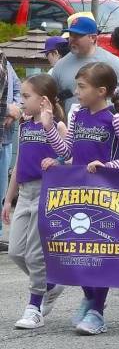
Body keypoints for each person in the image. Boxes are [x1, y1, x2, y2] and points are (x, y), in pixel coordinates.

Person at [42, 62, 119, 335]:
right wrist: (50, 128)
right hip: (77, 192)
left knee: (99, 253)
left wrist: (108, 167)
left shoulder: (115, 119)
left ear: (101, 91)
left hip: (105, 194)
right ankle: (89, 297)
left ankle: (98, 309)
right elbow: (68, 150)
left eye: (81, 87)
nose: (76, 91)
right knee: (78, 251)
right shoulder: (77, 114)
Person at [1, 74, 66, 329]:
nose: (22, 101)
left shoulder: (57, 126)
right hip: (24, 194)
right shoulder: (26, 126)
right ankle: (51, 284)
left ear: (43, 100)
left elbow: (68, 156)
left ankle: (34, 306)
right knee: (16, 252)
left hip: (46, 193)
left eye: (27, 96)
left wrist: (58, 162)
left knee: (35, 254)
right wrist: (8, 199)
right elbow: (18, 166)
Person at [51, 16, 119, 116]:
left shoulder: (111, 61)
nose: (72, 39)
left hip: (105, 127)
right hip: (73, 128)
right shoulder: (61, 65)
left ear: (93, 38)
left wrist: (107, 106)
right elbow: (53, 97)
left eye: (77, 35)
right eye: (71, 34)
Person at [0, 61, 21, 248]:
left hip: (3, 138)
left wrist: (15, 111)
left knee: (1, 188)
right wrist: (5, 109)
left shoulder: (5, 62)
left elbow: (19, 91)